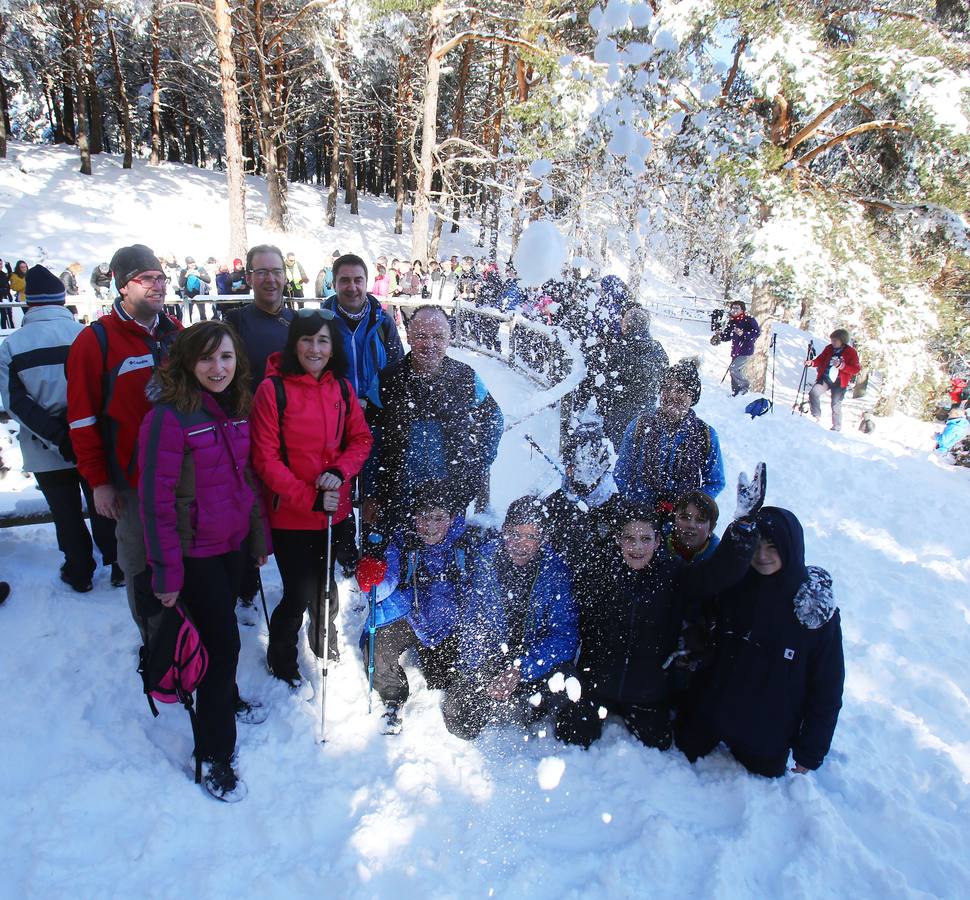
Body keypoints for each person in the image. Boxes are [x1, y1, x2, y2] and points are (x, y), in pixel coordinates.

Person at [138, 321, 270, 802]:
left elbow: (247, 479)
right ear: (188, 363)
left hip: (232, 543)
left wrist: (257, 537)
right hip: (194, 554)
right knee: (222, 646)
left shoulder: (237, 407)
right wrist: (167, 572)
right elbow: (157, 500)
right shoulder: (167, 419)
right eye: (208, 359)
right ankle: (216, 750)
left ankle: (226, 697)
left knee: (223, 644)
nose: (219, 368)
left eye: (227, 358)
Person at [250, 309, 374, 684]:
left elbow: (360, 439)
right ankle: (282, 655)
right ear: (294, 344)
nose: (315, 348)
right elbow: (265, 459)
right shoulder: (273, 391)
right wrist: (309, 498)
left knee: (326, 585)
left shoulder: (341, 389)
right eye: (307, 339)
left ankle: (325, 641)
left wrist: (339, 472)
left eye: (323, 340)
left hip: (332, 513)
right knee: (298, 593)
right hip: (291, 514)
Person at [675, 507, 845, 777]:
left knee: (765, 771)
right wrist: (739, 530)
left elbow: (827, 687)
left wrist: (810, 751)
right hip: (712, 712)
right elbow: (699, 585)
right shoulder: (734, 586)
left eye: (773, 547)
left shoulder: (811, 610)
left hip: (765, 728)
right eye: (756, 546)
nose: (762, 556)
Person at [66, 244, 181, 639]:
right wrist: (97, 480)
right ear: (121, 285)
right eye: (145, 278)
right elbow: (81, 419)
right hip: (131, 482)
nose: (157, 285)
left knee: (182, 556)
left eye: (160, 277)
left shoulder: (175, 334)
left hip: (182, 475)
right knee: (139, 560)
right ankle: (156, 643)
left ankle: (187, 633)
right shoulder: (95, 341)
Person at [0, 265, 120, 592]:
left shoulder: (12, 345)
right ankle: (119, 563)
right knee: (102, 502)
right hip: (91, 438)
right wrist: (80, 432)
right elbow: (104, 388)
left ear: (28, 303)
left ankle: (79, 569)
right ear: (61, 299)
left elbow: (15, 402)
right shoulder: (87, 335)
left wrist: (57, 436)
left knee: (64, 511)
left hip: (44, 446)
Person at [442, 496, 578, 740]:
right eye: (515, 534)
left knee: (569, 693)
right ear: (504, 530)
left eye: (531, 536)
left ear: (543, 538)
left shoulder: (555, 572)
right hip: (493, 655)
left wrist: (521, 669)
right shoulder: (483, 562)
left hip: (534, 659)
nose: (521, 544)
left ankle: (533, 705)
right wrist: (481, 672)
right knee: (459, 719)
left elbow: (564, 637)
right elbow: (472, 624)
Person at [555, 506, 685, 750]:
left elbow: (715, 577)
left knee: (658, 742)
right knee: (572, 735)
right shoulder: (600, 570)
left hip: (645, 689)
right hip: (596, 684)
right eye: (629, 539)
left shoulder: (672, 574)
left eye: (646, 539)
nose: (637, 547)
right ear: (618, 540)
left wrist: (741, 531)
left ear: (658, 542)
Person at [368, 305, 503, 532]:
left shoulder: (466, 378)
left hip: (449, 498)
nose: (429, 344)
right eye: (421, 336)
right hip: (397, 495)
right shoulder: (386, 381)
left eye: (438, 336)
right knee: (398, 559)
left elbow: (494, 420)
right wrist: (371, 492)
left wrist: (478, 464)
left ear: (449, 338)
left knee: (445, 561)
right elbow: (368, 438)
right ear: (409, 336)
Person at [355, 480, 472, 732]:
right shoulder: (404, 542)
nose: (430, 527)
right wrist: (371, 581)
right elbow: (387, 583)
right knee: (378, 649)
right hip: (412, 615)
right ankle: (393, 694)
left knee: (441, 677)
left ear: (452, 518)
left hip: (451, 623)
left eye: (439, 518)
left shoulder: (465, 544)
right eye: (423, 517)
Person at [223, 245, 296, 604]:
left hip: (291, 438)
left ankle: (293, 578)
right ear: (249, 277)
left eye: (276, 271)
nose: (270, 279)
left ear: (286, 275)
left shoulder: (299, 323)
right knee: (246, 510)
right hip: (245, 434)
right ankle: (246, 584)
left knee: (285, 513)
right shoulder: (235, 321)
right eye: (261, 272)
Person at [614, 358, 725, 515]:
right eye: (667, 388)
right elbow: (622, 473)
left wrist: (688, 509)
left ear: (692, 397)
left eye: (681, 390)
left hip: (682, 522)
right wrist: (640, 506)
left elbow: (715, 482)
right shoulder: (639, 425)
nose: (672, 395)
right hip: (640, 519)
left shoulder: (704, 434)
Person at [542, 420, 618, 587]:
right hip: (559, 587)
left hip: (601, 590)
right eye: (573, 463)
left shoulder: (615, 508)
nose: (576, 470)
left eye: (591, 459)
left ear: (603, 466)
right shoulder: (552, 504)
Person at [597, 306, 669, 447]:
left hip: (619, 415)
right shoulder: (658, 349)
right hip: (648, 412)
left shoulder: (619, 350)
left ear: (626, 326)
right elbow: (663, 380)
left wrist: (605, 409)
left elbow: (607, 386)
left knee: (620, 455)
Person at [806, 329, 861, 432]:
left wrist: (842, 366)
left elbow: (856, 369)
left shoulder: (851, 352)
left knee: (835, 403)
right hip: (825, 378)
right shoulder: (829, 348)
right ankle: (815, 416)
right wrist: (812, 363)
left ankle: (836, 427)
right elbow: (820, 359)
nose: (833, 342)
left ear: (842, 340)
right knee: (814, 393)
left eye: (835, 340)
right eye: (832, 340)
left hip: (840, 382)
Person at [714, 300, 761, 397]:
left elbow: (756, 333)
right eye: (733, 308)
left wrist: (743, 333)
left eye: (737, 308)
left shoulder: (749, 320)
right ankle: (735, 392)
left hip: (745, 350)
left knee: (734, 368)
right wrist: (720, 335)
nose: (734, 310)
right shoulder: (732, 321)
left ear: (742, 310)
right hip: (735, 350)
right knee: (734, 371)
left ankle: (745, 387)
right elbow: (727, 336)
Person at [667, 491, 720, 562]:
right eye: (685, 517)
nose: (691, 525)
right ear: (674, 520)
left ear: (712, 527)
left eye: (700, 520)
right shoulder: (655, 548)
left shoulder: (720, 559)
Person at [179, 257, 211, 323]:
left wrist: (199, 275)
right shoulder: (184, 271)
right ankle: (189, 329)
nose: (192, 264)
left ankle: (204, 328)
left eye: (193, 262)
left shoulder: (200, 269)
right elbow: (181, 284)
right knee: (188, 314)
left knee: (202, 313)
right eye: (190, 263)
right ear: (187, 264)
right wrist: (186, 275)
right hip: (188, 295)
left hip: (200, 294)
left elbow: (208, 280)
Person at [0, 259, 13, 329]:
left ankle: (11, 329)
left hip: (6, 296)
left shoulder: (3, 274)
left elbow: (10, 275)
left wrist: (8, 266)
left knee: (9, 315)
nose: (0, 266)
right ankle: (4, 330)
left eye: (1, 264)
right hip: (1, 297)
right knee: (3, 315)